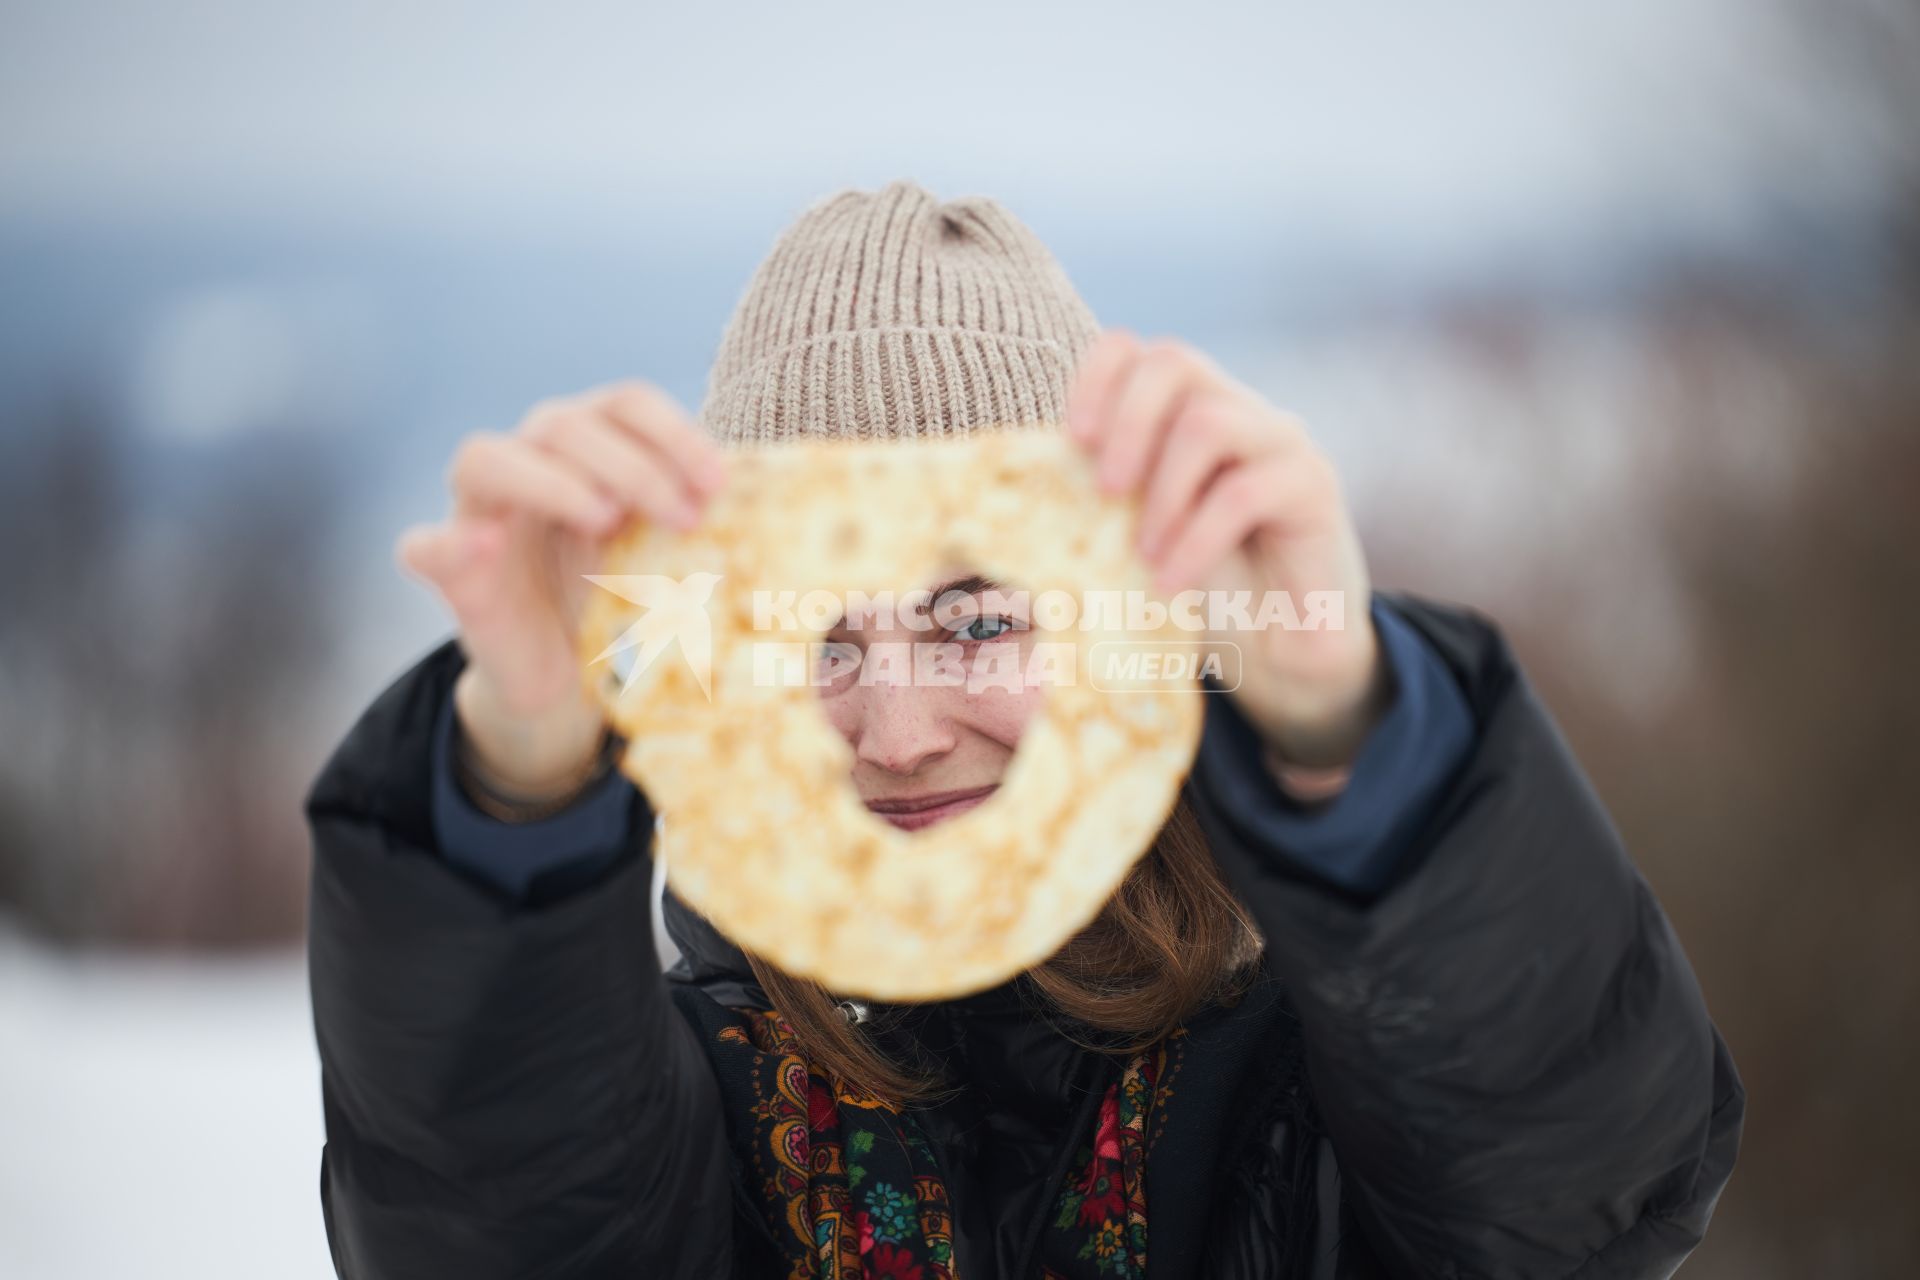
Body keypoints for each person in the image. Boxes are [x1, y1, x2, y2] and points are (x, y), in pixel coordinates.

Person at [305, 180, 1744, 1279]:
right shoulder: (684, 1120)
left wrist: (1347, 734)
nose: (898, 730)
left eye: (977, 617)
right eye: (820, 636)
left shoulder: (1318, 1089)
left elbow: (1579, 1184)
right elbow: (490, 1223)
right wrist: (513, 787)